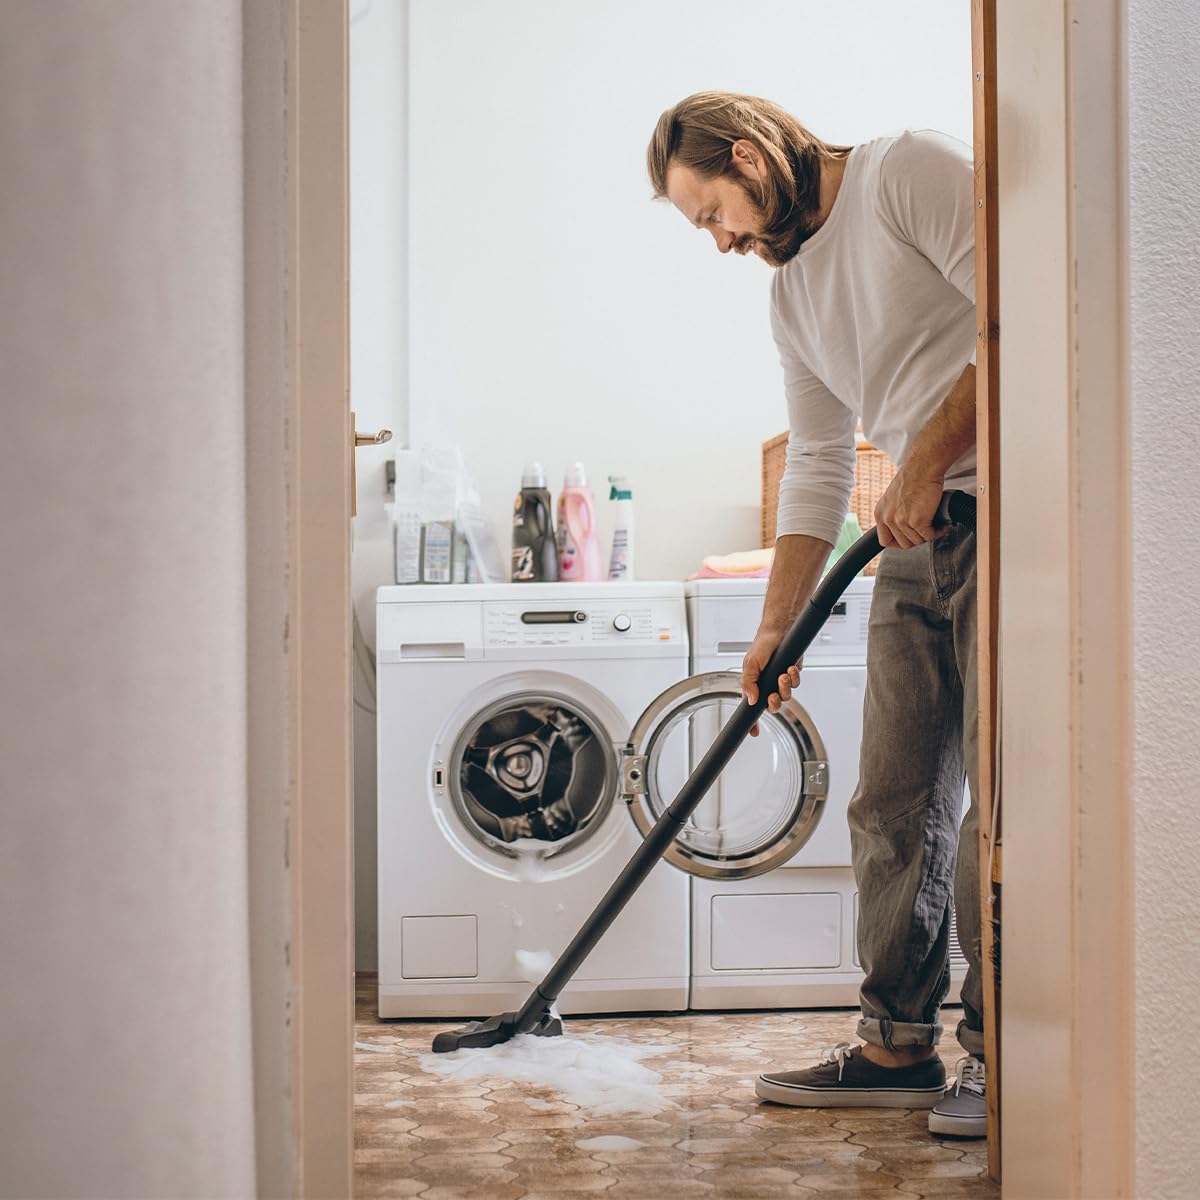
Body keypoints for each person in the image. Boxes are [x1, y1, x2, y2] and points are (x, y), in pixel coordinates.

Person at [646, 92, 986, 1139]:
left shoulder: (909, 173)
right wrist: (771, 632)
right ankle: (896, 1044)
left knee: (1004, 817)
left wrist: (926, 456)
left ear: (750, 158)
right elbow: (819, 473)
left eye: (712, 213)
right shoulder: (793, 297)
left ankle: (1008, 1058)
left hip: (1013, 524)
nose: (719, 242)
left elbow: (1024, 319)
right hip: (907, 550)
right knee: (892, 804)